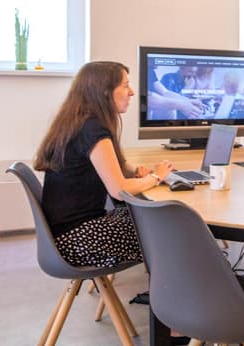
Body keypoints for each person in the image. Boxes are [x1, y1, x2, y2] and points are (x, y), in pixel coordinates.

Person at [34, 61, 174, 268]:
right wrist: (156, 177)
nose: (132, 92)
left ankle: (169, 280)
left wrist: (137, 171)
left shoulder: (80, 122)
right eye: (125, 85)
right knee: (170, 225)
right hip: (79, 239)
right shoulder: (93, 130)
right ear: (105, 92)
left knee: (152, 215)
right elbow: (119, 190)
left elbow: (114, 165)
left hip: (68, 233)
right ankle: (180, 282)